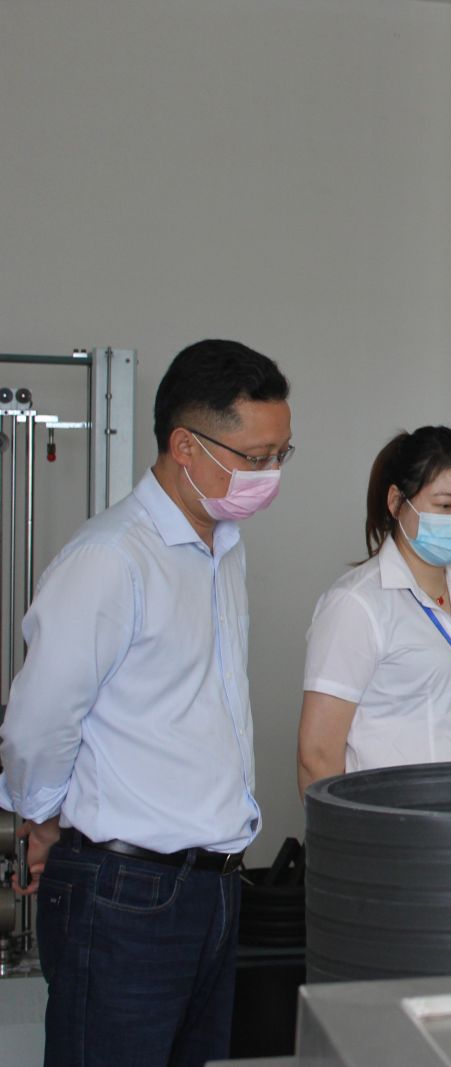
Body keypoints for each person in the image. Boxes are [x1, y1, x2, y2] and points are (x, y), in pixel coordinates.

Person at [0, 340, 291, 1067]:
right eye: (255, 458)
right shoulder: (111, 558)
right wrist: (39, 817)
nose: (269, 476)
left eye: (280, 455)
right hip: (124, 892)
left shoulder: (225, 548)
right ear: (185, 446)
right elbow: (40, 719)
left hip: (214, 888)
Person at [297, 427, 451, 794]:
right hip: (385, 820)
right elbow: (318, 754)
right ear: (396, 502)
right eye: (445, 505)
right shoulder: (357, 603)